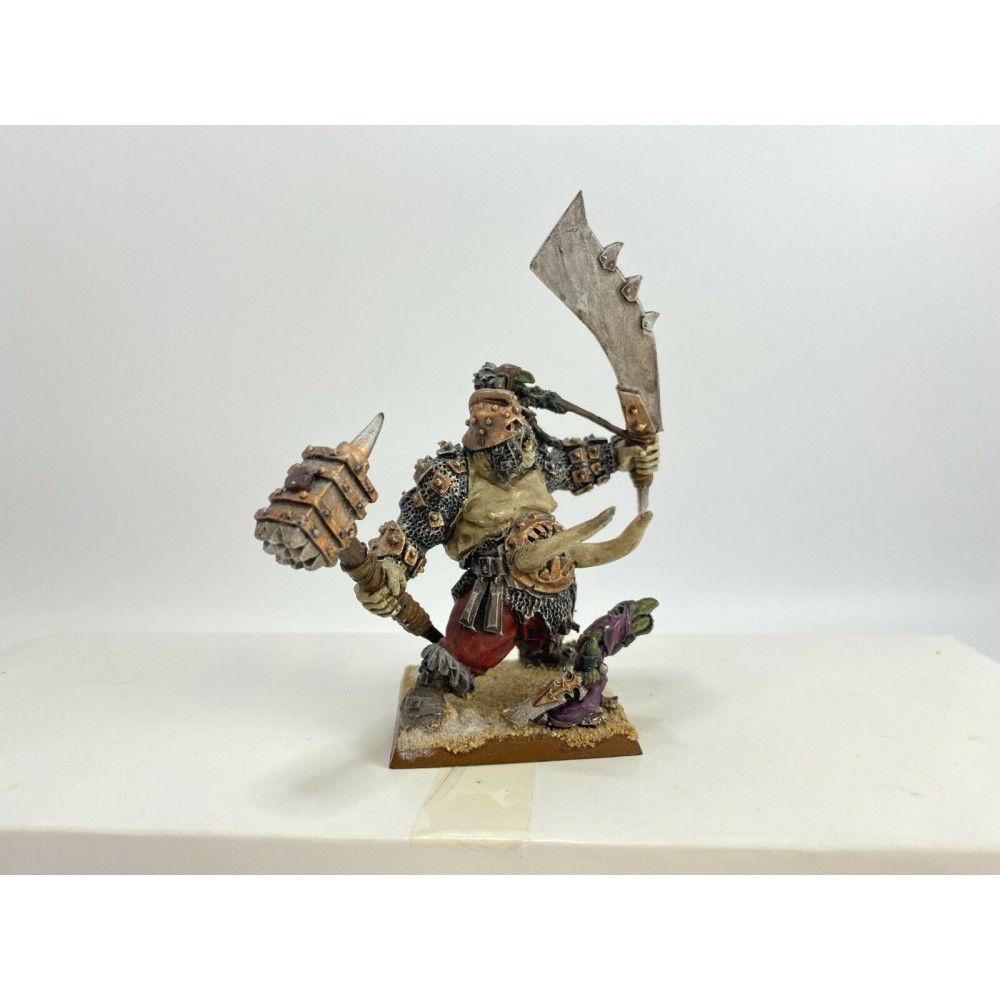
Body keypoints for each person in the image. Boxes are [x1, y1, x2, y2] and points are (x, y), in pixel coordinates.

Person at [355, 363, 659, 725]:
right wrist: (389, 569)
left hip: (552, 570)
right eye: (501, 441)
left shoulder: (535, 459)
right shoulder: (453, 476)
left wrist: (624, 454)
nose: (516, 451)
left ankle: (538, 651)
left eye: (520, 439)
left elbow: (574, 464)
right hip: (493, 590)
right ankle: (433, 684)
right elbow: (415, 528)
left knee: (548, 624)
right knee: (473, 646)